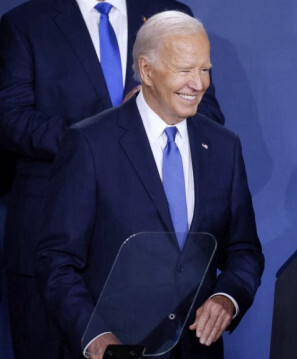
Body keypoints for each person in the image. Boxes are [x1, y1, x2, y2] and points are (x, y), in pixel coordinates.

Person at [0, 0, 225, 357]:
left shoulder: (168, 12)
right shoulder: (25, 22)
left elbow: (208, 113)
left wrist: (155, 113)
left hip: (155, 254)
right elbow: (10, 119)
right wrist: (111, 131)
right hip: (53, 242)